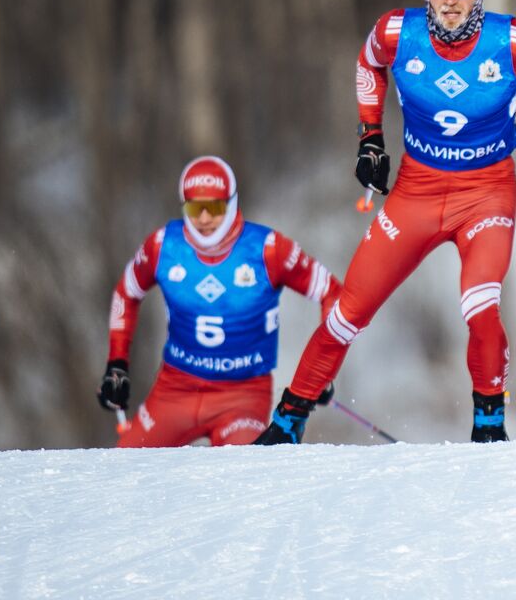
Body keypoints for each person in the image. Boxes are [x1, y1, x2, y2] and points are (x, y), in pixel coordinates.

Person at [256, 0, 516, 445]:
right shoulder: (395, 32)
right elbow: (366, 66)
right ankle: (287, 422)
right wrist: (370, 139)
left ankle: (489, 426)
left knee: (480, 303)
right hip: (417, 193)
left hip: (486, 193)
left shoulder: (512, 39)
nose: (450, 0)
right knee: (347, 313)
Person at [96, 155, 343, 447]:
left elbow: (331, 291)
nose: (203, 219)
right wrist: (117, 363)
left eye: (213, 208)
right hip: (175, 390)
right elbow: (127, 292)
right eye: (194, 208)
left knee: (245, 474)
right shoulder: (164, 245)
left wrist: (320, 372)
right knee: (123, 468)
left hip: (242, 396)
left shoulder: (267, 249)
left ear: (231, 203)